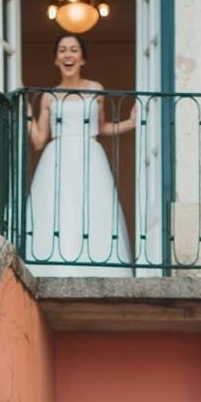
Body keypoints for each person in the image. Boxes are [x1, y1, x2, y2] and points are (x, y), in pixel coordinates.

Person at [27, 35, 136, 276]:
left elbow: (102, 127)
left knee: (92, 209)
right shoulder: (48, 96)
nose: (68, 54)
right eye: (62, 50)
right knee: (60, 211)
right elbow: (38, 140)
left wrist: (130, 123)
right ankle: (56, 269)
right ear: (56, 60)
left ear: (82, 59)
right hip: (57, 157)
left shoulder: (96, 89)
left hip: (90, 156)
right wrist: (25, 113)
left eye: (74, 50)